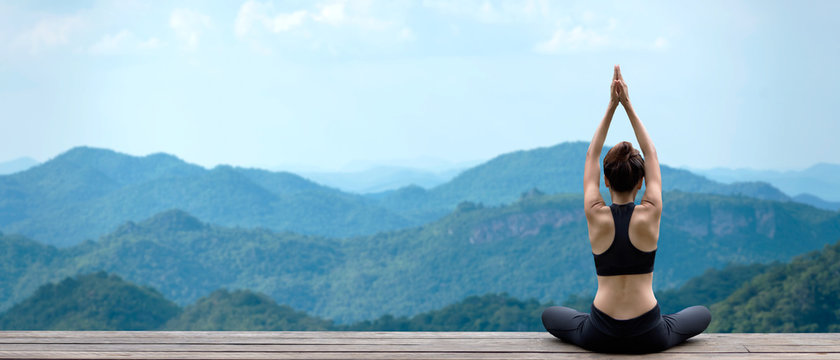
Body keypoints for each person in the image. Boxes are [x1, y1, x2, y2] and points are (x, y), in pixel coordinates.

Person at [541, 65, 711, 354]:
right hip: (649, 333)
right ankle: (664, 324)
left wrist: (611, 105)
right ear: (642, 181)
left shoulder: (596, 213)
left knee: (550, 315)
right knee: (702, 314)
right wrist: (628, 105)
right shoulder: (651, 211)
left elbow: (591, 155)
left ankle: (593, 324)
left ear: (605, 181)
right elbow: (652, 153)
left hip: (599, 332)